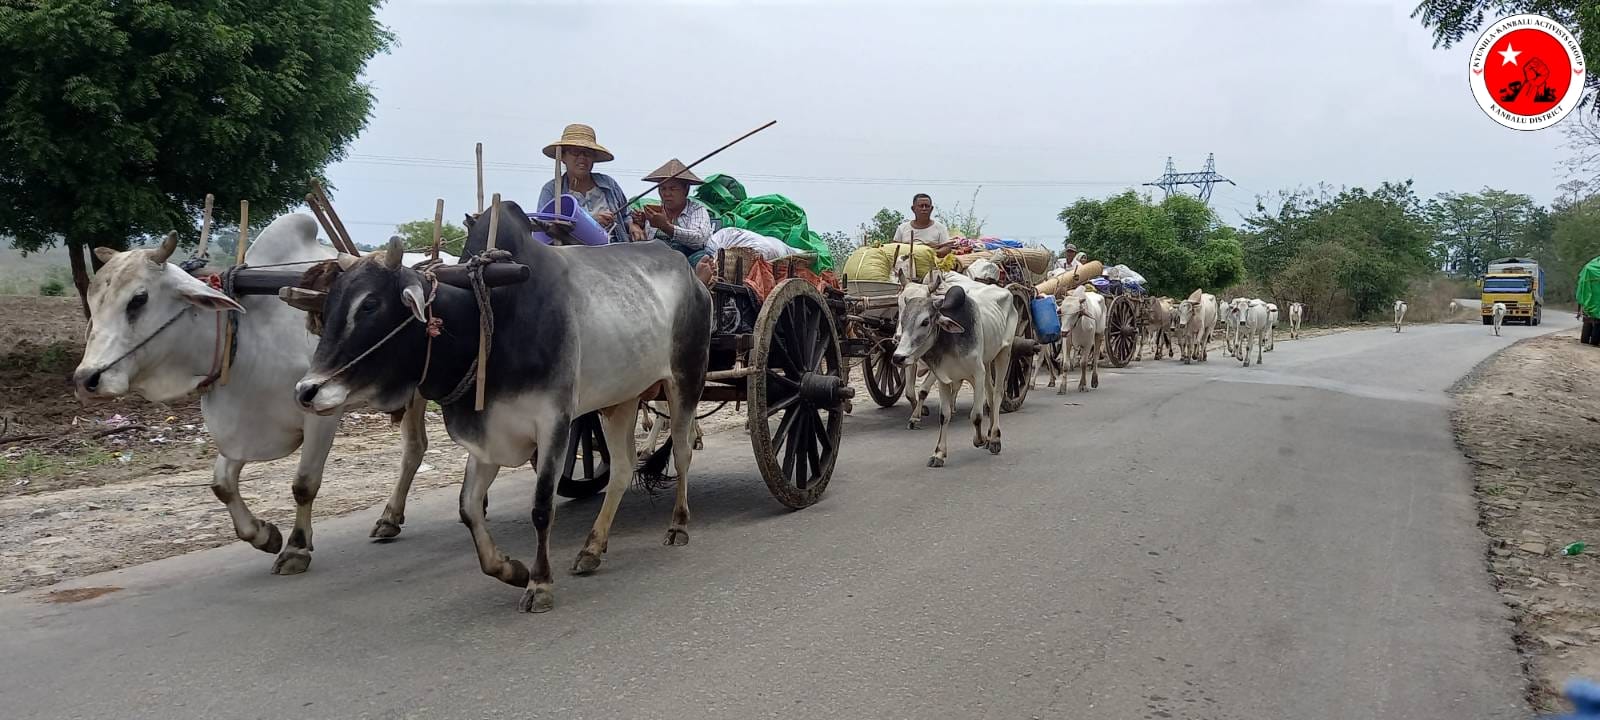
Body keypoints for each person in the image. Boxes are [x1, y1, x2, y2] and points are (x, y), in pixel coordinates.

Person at [537, 123, 632, 244]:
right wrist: (592, 222)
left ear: (593, 158)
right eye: (575, 152)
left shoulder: (608, 184)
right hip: (572, 257)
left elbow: (626, 215)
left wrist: (632, 226)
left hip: (614, 253)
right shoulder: (552, 189)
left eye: (588, 153)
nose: (582, 157)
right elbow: (544, 228)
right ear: (563, 157)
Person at [631, 158, 717, 284]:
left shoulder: (697, 210)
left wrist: (666, 227)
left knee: (701, 258)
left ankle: (696, 287)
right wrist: (639, 224)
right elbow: (647, 241)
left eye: (672, 189)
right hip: (658, 260)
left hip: (688, 260)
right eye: (663, 189)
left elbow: (699, 240)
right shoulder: (654, 211)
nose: (667, 194)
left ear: (686, 190)